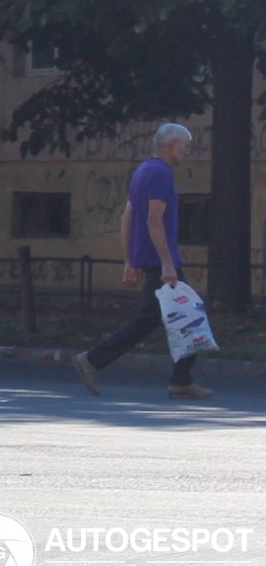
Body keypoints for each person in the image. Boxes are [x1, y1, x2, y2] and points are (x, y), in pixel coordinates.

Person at [73, 123, 214, 400]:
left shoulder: (143, 171)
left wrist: (129, 260)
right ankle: (93, 360)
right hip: (161, 261)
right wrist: (168, 264)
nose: (187, 150)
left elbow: (127, 217)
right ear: (173, 144)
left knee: (167, 318)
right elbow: (153, 219)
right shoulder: (160, 173)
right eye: (185, 144)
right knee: (187, 318)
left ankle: (180, 379)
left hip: (151, 259)